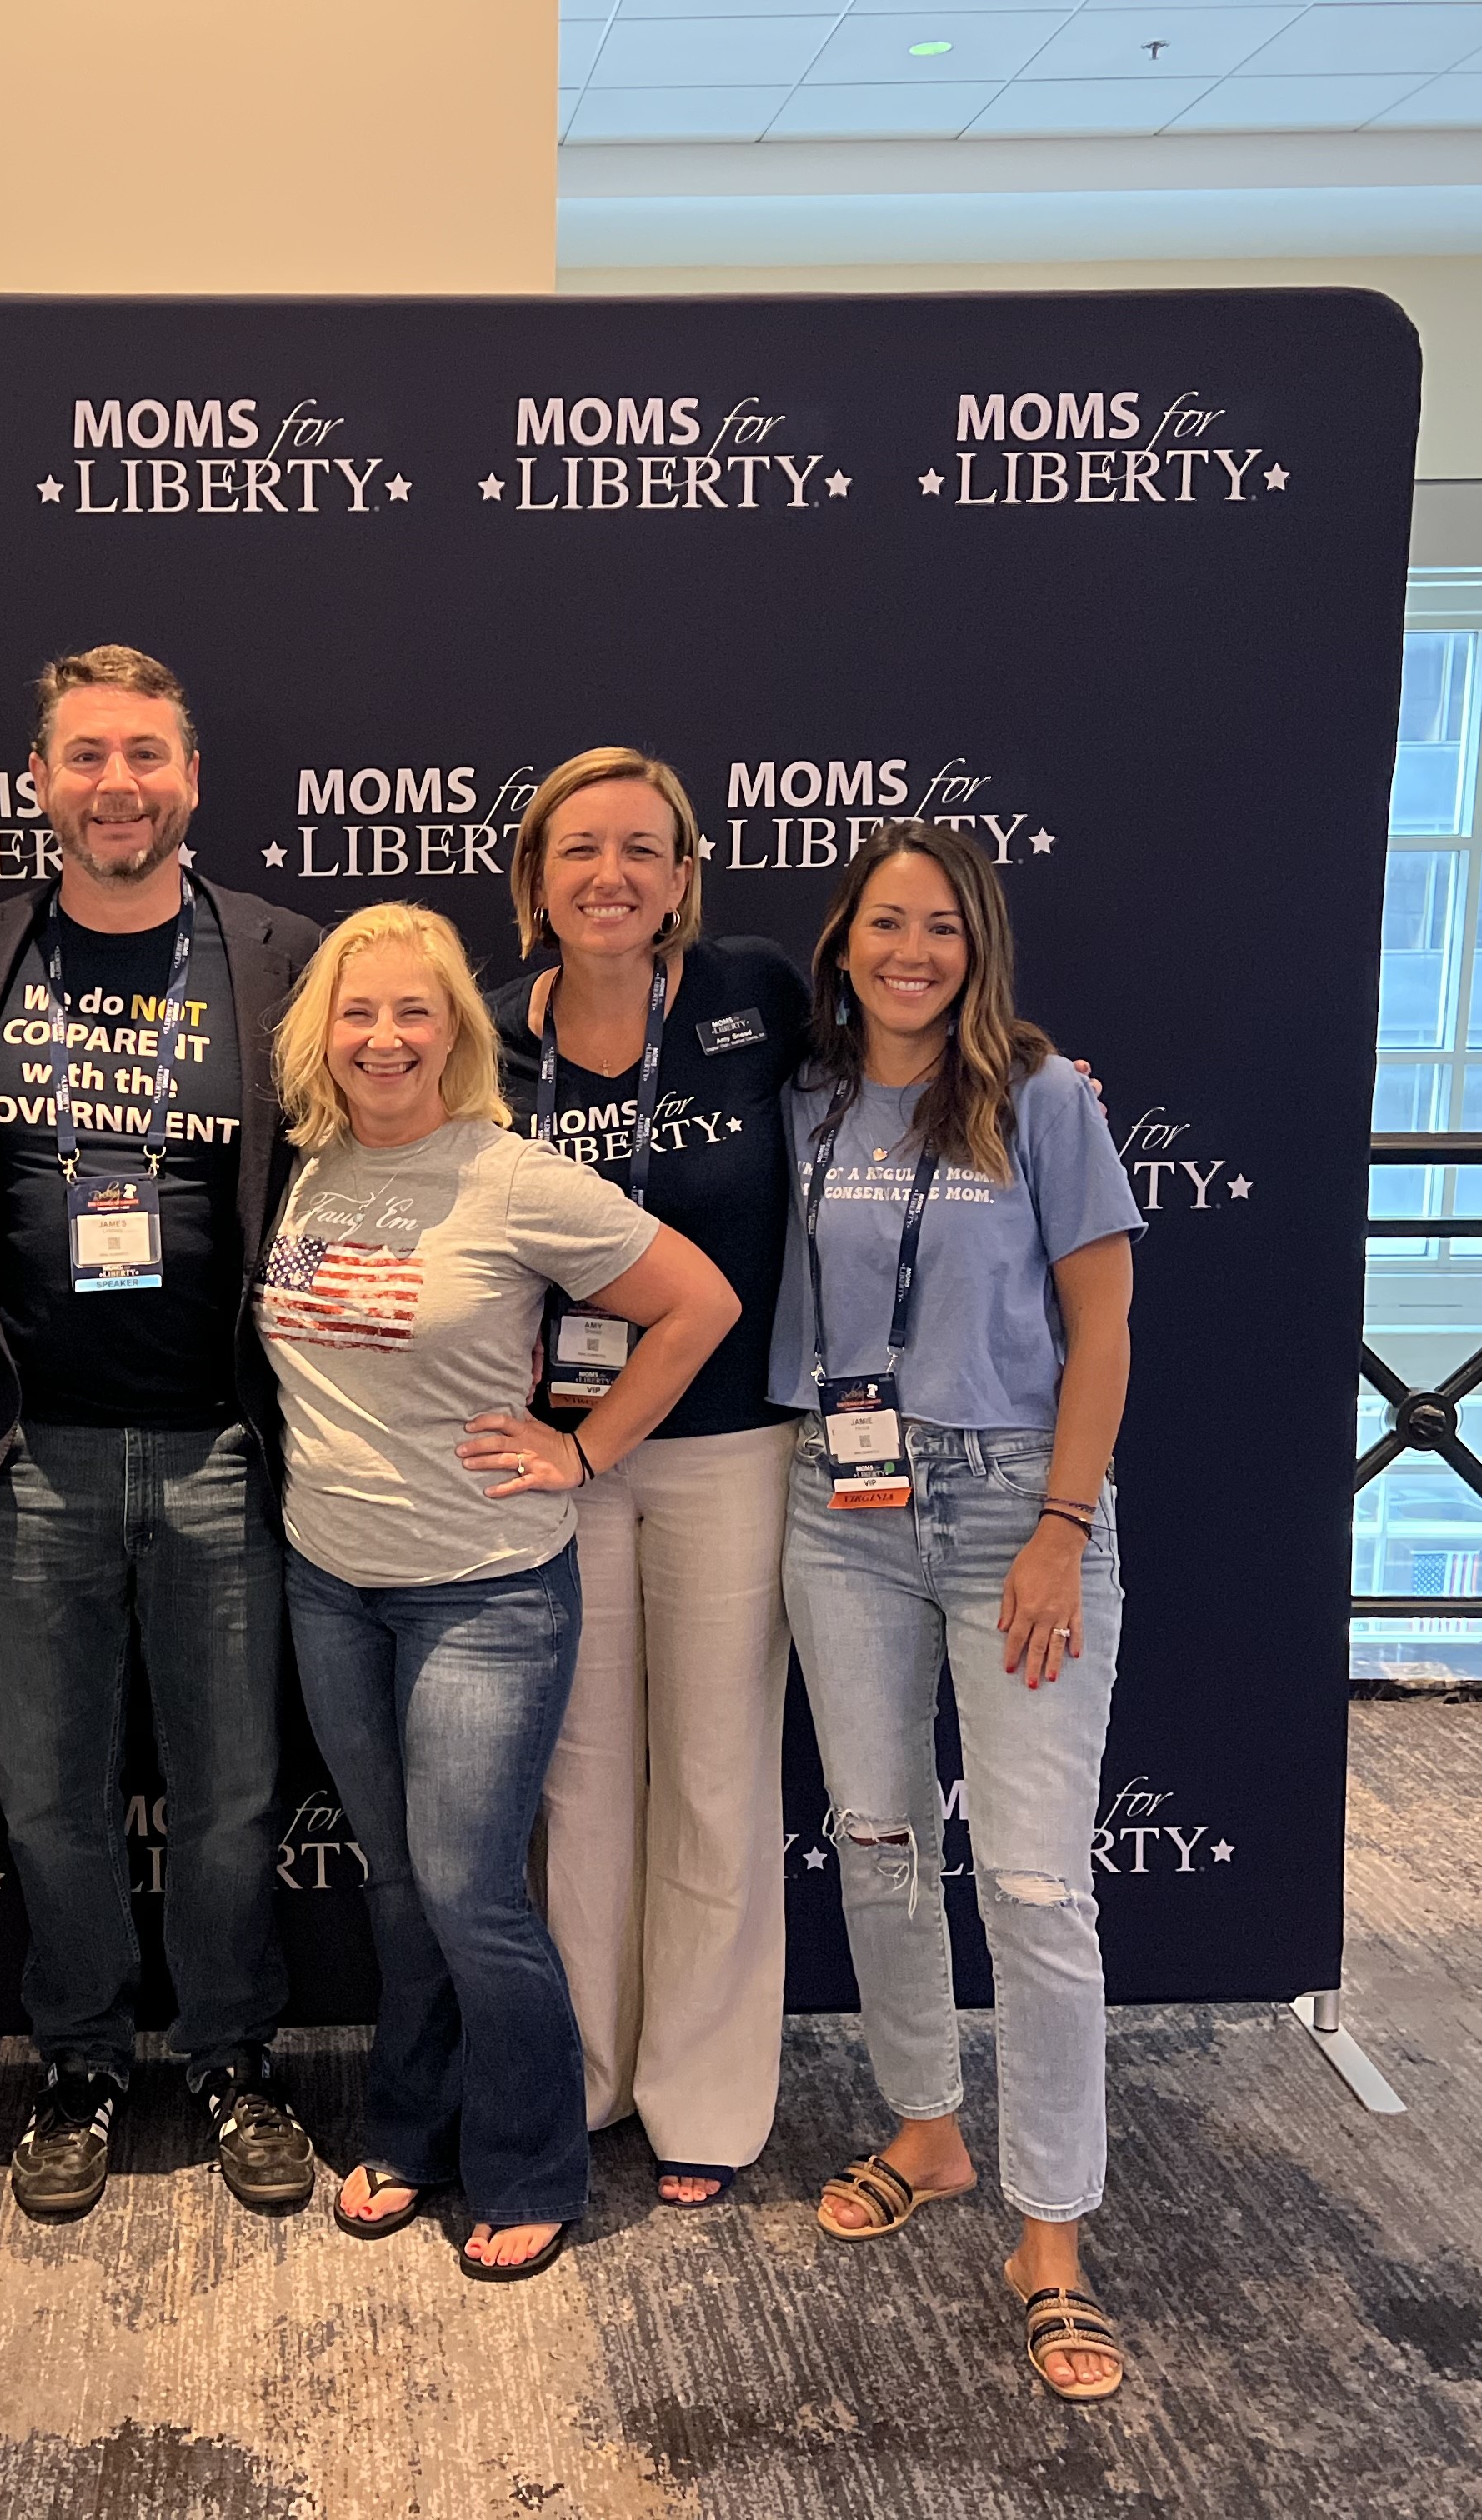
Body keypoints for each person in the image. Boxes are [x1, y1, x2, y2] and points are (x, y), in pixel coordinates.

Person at [261, 901, 740, 2279]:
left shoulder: (514, 1177)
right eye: (358, 1012)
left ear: (457, 1032)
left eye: (414, 1012)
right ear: (320, 1034)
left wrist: (584, 1451)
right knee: (402, 1886)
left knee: (473, 1892)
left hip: (483, 1594)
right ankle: (410, 2132)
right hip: (330, 1580)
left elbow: (698, 1304)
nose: (384, 1037)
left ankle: (531, 2161)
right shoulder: (306, 1167)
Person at [0, 643, 326, 2220]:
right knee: (48, 1799)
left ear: (192, 780)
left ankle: (234, 2059)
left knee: (232, 1796)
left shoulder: (281, 956)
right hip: (24, 1453)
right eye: (88, 756)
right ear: (39, 781)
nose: (119, 785)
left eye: (147, 756)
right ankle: (82, 2063)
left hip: (223, 1447)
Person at [769, 818, 1141, 2403]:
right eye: (884, 923)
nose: (911, 952)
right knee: (875, 1836)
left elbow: (1105, 1325)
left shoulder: (1044, 1099)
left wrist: (1063, 1524)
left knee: (1040, 1886)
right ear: (842, 941)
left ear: (977, 947)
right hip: (837, 1500)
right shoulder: (801, 1095)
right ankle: (927, 2130)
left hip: (1011, 1509)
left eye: (942, 927)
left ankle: (1052, 2237)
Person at [486, 748, 810, 2212]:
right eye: (578, 850)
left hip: (728, 1445)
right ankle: (589, 2075)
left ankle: (705, 2097)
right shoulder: (487, 1034)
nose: (608, 877)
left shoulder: (757, 997)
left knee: (717, 1774)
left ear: (684, 877)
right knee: (582, 1778)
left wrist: (1042, 1079)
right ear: (535, 880)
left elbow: (914, 1058)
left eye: (640, 850)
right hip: (554, 1451)